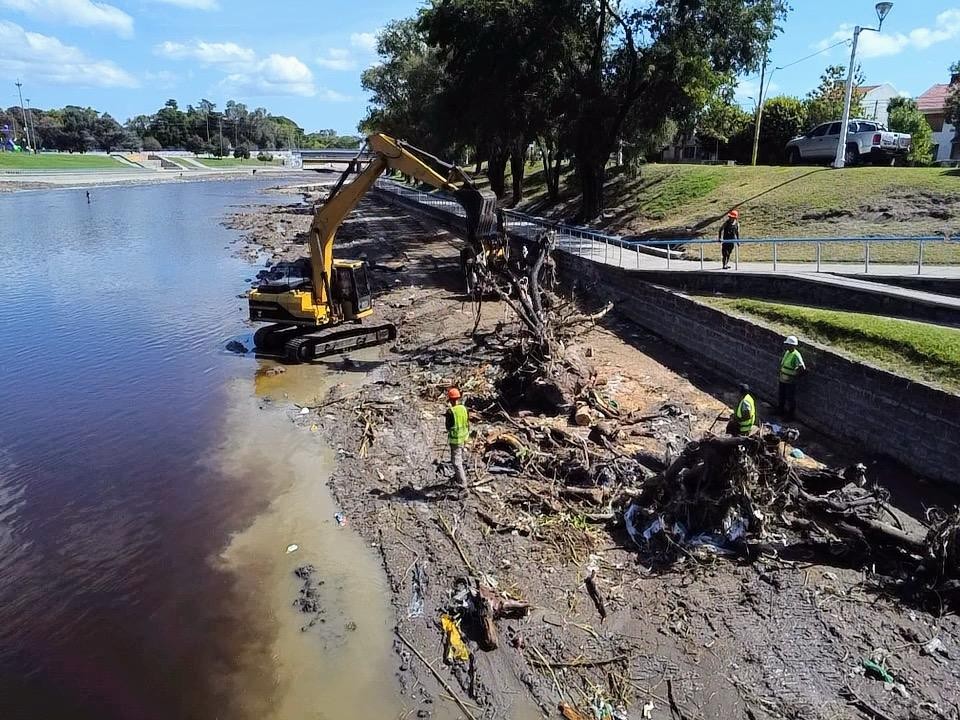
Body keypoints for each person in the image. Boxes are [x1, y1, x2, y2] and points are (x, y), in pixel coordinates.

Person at [445, 387, 470, 490]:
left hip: (455, 440)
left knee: (456, 462)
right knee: (459, 458)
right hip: (464, 437)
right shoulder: (464, 408)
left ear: (450, 400)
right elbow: (467, 421)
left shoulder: (450, 412)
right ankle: (457, 477)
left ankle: (463, 484)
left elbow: (448, 427)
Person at [778, 335, 807, 419]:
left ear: (793, 345)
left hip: (790, 381)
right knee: (781, 395)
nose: (786, 345)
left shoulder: (796, 355)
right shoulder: (788, 352)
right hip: (783, 379)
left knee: (790, 398)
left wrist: (795, 377)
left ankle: (790, 415)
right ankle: (780, 410)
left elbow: (802, 368)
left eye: (788, 344)